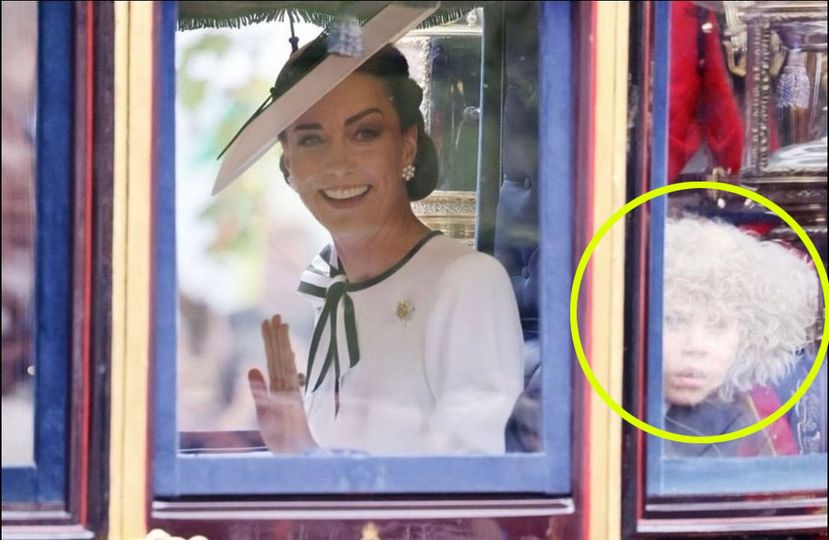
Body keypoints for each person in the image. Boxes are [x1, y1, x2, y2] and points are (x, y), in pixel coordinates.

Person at [219, 35, 524, 455]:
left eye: (364, 133)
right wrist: (291, 454)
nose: (339, 165)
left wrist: (308, 459)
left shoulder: (468, 284)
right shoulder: (327, 282)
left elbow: (466, 491)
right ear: (288, 162)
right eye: (311, 139)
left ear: (407, 145)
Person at [662, 216, 821, 457]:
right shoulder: (595, 419)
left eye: (718, 325)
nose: (695, 346)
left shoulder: (754, 420)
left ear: (747, 337)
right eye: (673, 321)